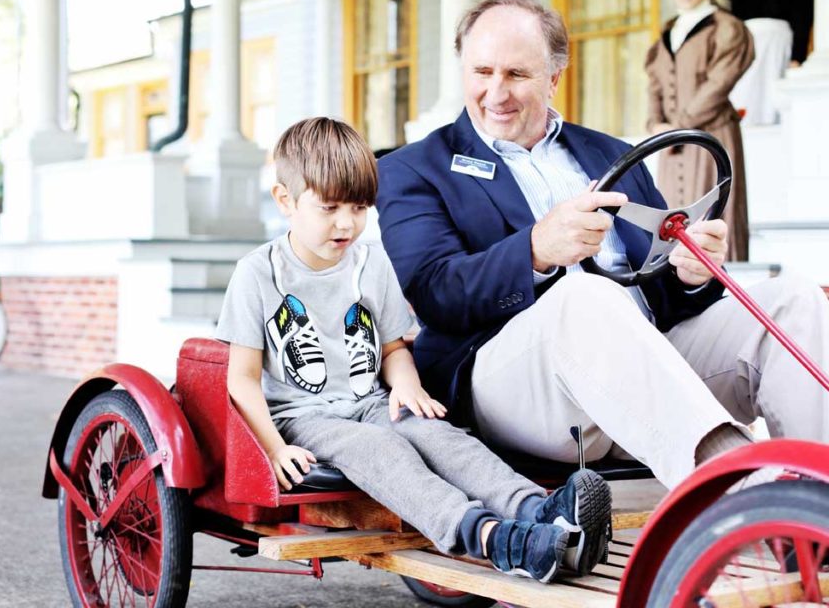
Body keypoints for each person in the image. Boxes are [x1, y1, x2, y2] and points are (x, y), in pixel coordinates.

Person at [377, 0, 829, 491]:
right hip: (511, 383)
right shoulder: (414, 168)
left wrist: (689, 272)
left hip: (642, 367)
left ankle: (817, 491)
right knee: (583, 295)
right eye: (482, 72)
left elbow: (664, 297)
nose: (496, 92)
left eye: (517, 75)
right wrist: (535, 250)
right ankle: (742, 485)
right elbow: (434, 290)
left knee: (793, 297)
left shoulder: (611, 152)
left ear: (553, 78)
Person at [217, 117, 612, 583]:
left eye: (360, 208)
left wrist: (406, 386)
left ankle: (541, 511)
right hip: (302, 416)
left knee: (438, 435)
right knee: (380, 449)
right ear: (286, 201)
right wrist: (274, 447)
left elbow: (393, 347)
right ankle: (489, 538)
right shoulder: (258, 273)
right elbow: (241, 378)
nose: (347, 224)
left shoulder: (370, 262)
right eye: (330, 208)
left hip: (369, 401)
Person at [645, 0, 754, 261]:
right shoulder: (668, 32)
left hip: (711, 133)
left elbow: (719, 82)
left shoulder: (726, 27)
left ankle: (721, 286)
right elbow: (654, 83)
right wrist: (656, 125)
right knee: (674, 217)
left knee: (713, 210)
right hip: (672, 140)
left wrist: (680, 124)